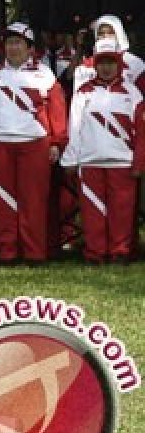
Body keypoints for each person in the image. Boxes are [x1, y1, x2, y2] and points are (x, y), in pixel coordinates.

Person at [0, 22, 67, 264]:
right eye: (9, 43)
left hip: (35, 143)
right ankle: (7, 252)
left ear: (30, 47)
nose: (13, 48)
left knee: (33, 200)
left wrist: (57, 142)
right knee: (3, 199)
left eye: (18, 43)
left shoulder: (45, 74)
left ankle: (34, 252)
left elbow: (57, 110)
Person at [60, 38, 145, 264]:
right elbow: (74, 128)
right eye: (102, 62)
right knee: (92, 212)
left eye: (111, 62)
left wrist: (138, 163)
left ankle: (120, 252)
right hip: (90, 162)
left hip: (122, 163)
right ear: (95, 64)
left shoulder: (132, 93)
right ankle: (95, 253)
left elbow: (141, 131)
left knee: (122, 212)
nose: (107, 67)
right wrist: (71, 159)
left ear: (119, 64)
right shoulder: (83, 93)